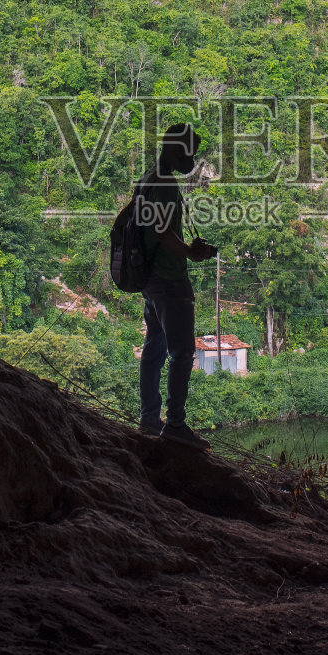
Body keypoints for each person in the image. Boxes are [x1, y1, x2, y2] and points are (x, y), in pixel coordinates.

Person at [135, 122, 217, 448]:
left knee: (154, 349)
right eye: (189, 153)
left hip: (150, 280)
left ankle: (149, 419)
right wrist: (191, 254)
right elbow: (161, 232)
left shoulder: (147, 178)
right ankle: (176, 425)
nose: (192, 160)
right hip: (169, 279)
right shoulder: (165, 183)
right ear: (175, 149)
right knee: (182, 352)